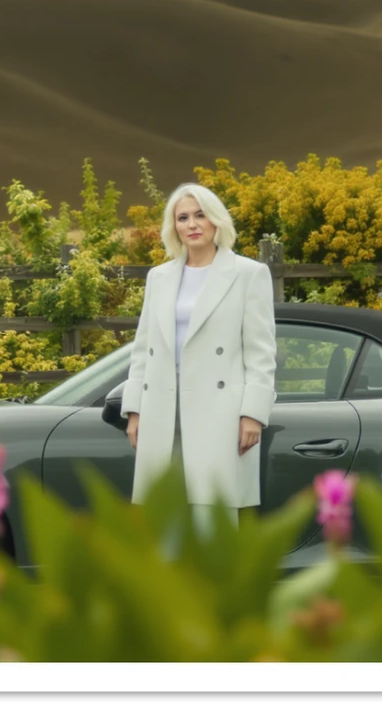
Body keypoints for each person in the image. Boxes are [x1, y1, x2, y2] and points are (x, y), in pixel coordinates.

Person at [119, 183, 277, 538]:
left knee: (211, 520)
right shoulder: (159, 278)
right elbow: (143, 347)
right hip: (163, 408)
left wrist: (253, 413)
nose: (193, 224)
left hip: (219, 410)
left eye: (200, 215)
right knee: (164, 517)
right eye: (183, 217)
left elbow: (261, 351)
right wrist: (135, 409)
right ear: (174, 226)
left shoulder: (248, 274)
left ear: (216, 220)